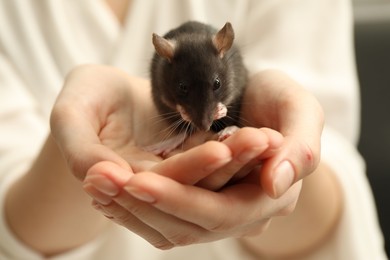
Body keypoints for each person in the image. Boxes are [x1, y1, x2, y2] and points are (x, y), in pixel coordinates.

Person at [0, 0, 386, 259]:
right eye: (182, 92)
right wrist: (73, 148)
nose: (202, 119)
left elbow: (331, 150)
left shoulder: (228, 64)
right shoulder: (165, 71)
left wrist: (277, 160)